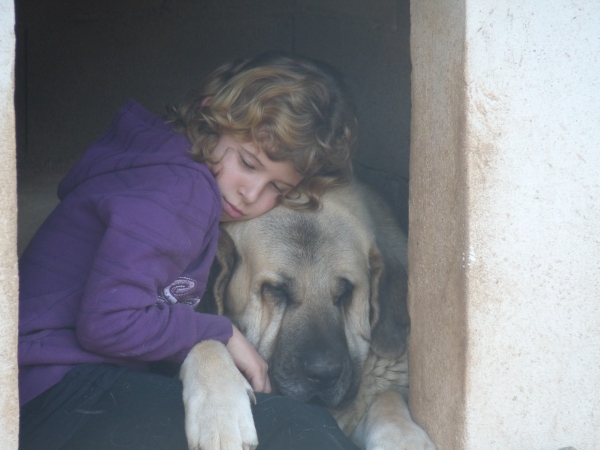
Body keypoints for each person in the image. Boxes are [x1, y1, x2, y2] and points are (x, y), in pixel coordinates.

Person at [18, 51, 361, 450]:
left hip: (57, 387)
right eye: (249, 163)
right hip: (55, 390)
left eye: (277, 189)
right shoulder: (186, 191)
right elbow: (108, 322)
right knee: (300, 432)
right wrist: (222, 331)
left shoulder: (164, 166)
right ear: (209, 115)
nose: (250, 193)